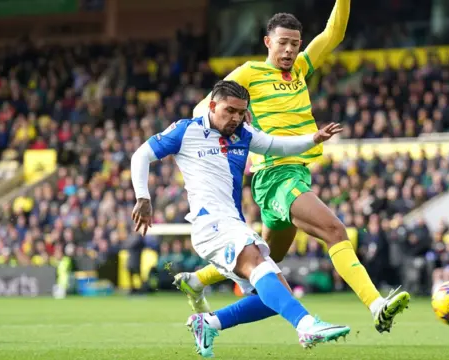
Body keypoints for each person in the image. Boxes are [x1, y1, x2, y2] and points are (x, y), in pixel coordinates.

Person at [179, 0, 410, 334]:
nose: (288, 50)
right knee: (334, 230)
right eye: (282, 43)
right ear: (268, 42)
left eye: (295, 44)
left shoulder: (301, 69)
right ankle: (377, 305)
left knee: (267, 259)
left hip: (297, 171)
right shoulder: (249, 73)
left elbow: (334, 33)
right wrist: (220, 129)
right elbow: (207, 104)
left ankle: (199, 287)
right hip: (274, 175)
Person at [130, 80, 349, 357]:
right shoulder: (186, 130)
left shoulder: (243, 133)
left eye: (240, 112)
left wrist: (313, 139)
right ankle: (306, 325)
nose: (234, 118)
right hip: (210, 224)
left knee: (276, 296)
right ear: (212, 106)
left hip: (232, 223)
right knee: (258, 263)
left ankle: (209, 322)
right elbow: (141, 155)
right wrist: (143, 198)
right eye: (229, 110)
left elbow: (276, 145)